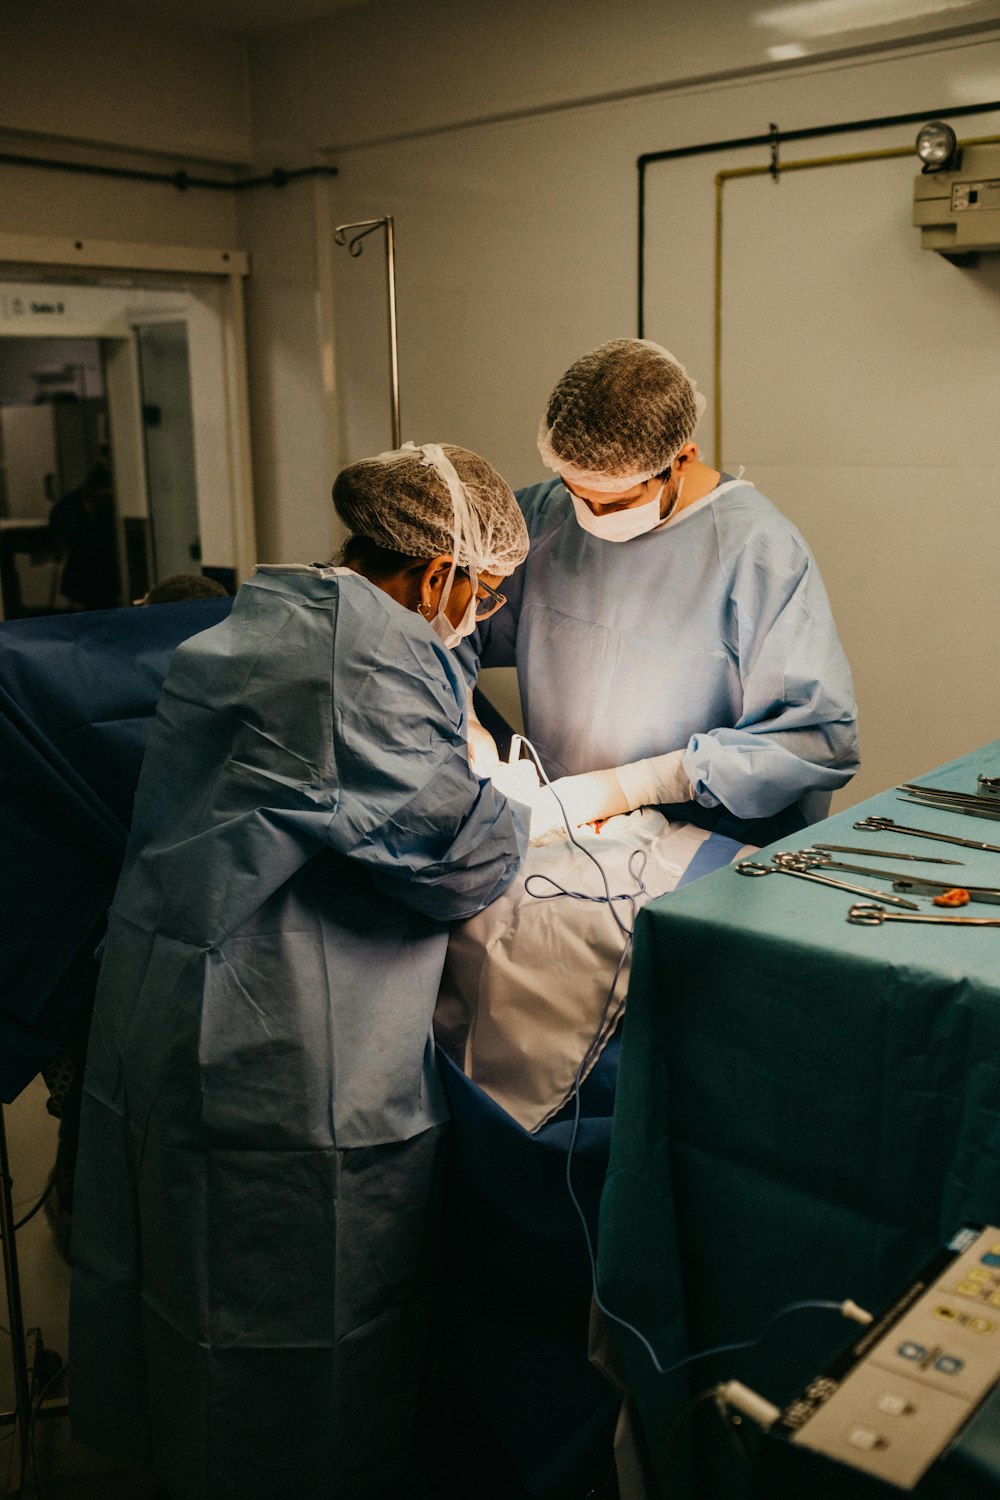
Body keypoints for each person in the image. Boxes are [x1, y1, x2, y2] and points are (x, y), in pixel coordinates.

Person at [69, 442, 531, 1500]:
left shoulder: (295, 615)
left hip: (182, 993)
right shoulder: (358, 663)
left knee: (196, 1297)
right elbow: (450, 854)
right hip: (271, 1041)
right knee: (295, 1309)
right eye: (486, 593)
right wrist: (516, 817)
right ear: (435, 576)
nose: (486, 616)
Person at [472, 338, 859, 844]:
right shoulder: (547, 515)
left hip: (712, 839)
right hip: (572, 828)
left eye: (616, 502)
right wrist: (468, 729)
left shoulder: (756, 550)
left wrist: (635, 785)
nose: (591, 515)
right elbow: (447, 622)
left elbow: (816, 738)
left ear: (681, 458)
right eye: (578, 493)